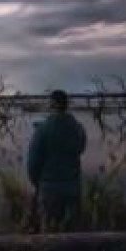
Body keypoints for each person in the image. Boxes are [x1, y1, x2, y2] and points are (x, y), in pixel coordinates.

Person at [27, 90, 87, 232]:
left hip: (49, 188)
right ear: (66, 105)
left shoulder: (42, 130)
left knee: (48, 232)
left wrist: (37, 182)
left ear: (52, 104)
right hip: (73, 187)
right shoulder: (78, 128)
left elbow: (33, 163)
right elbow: (80, 149)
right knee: (72, 232)